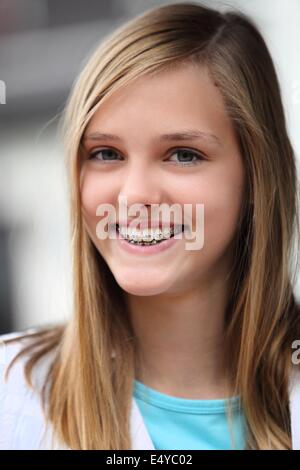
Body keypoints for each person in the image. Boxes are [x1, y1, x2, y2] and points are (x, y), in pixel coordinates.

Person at [1, 1, 300, 450]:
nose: (134, 196)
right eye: (106, 154)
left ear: (258, 177)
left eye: (183, 154)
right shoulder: (11, 395)